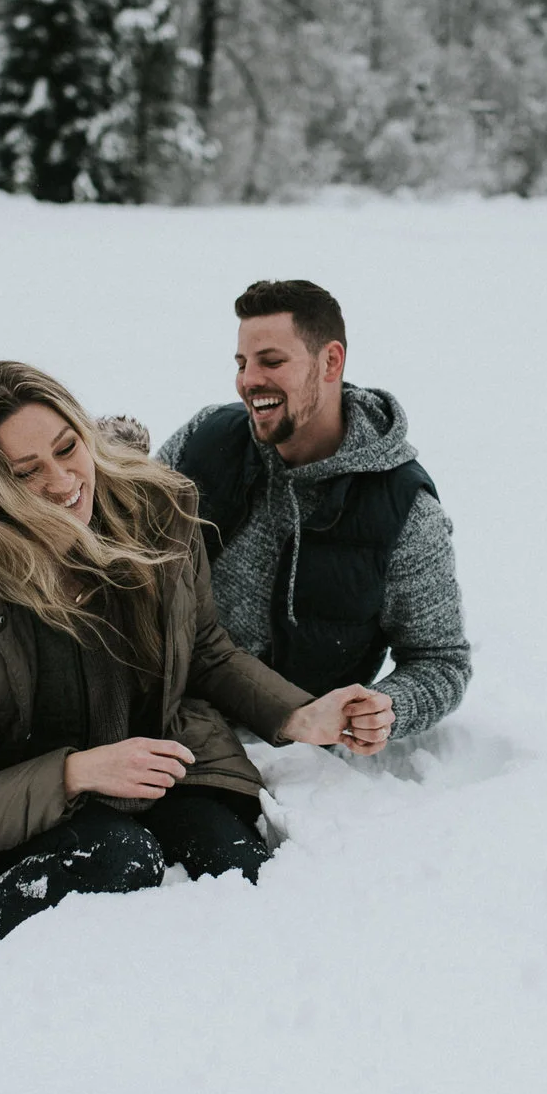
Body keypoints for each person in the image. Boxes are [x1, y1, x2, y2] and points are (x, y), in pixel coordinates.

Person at [0, 361, 388, 1036]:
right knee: (117, 857)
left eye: (67, 446)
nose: (64, 480)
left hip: (154, 764)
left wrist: (297, 712)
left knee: (239, 865)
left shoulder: (157, 515)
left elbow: (206, 648)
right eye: (24, 472)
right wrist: (77, 771)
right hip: (17, 809)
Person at [158, 280, 469, 753]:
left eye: (272, 361)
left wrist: (385, 708)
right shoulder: (206, 438)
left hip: (284, 753)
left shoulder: (404, 510)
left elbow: (440, 660)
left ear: (331, 361)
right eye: (242, 364)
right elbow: (123, 541)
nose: (249, 380)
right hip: (158, 709)